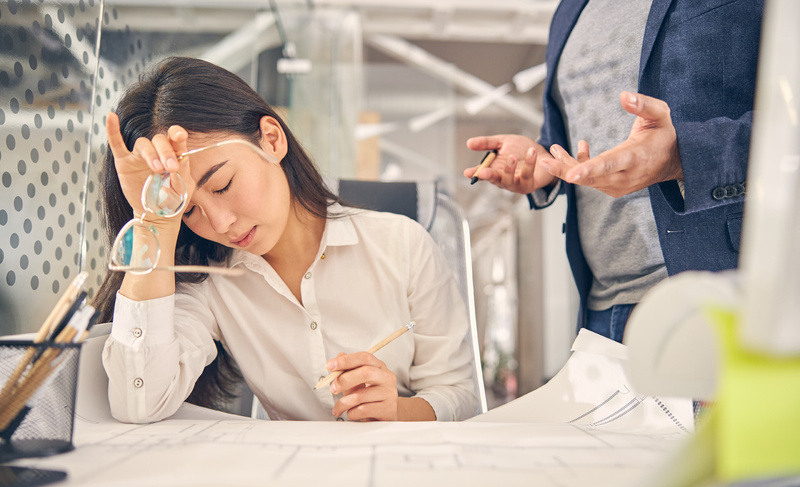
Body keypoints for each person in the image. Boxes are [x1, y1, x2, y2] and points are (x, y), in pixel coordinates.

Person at [94, 56, 477, 423]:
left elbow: (461, 396)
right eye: (187, 210)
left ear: (271, 140)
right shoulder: (210, 282)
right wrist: (154, 223)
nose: (221, 223)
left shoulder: (402, 244)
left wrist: (396, 411)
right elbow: (138, 402)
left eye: (223, 185)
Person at [464, 0, 764, 342]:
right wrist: (544, 159)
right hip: (601, 311)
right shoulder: (568, 12)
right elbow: (570, 134)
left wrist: (683, 156)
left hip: (721, 294)